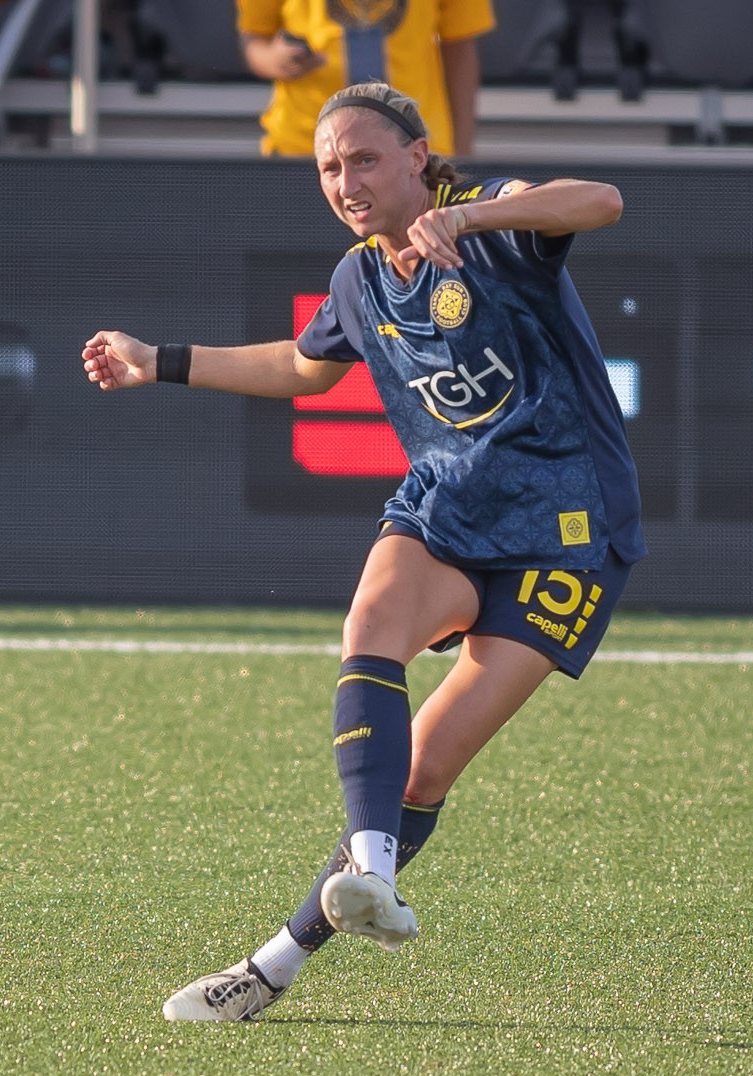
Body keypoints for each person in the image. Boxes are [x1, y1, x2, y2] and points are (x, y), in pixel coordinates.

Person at [82, 80, 644, 1023]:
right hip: (451, 507)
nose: (346, 179)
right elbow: (305, 367)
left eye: (366, 157)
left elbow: (603, 202)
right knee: (370, 626)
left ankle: (272, 966)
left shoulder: (491, 223)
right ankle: (374, 870)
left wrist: (476, 220)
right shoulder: (358, 276)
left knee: (424, 771)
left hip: (569, 528)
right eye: (330, 166)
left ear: (419, 158)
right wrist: (160, 360)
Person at [237, 0, 493, 158]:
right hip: (304, 145)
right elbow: (254, 38)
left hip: (413, 148)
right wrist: (276, 60)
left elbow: (459, 46)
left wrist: (462, 153)